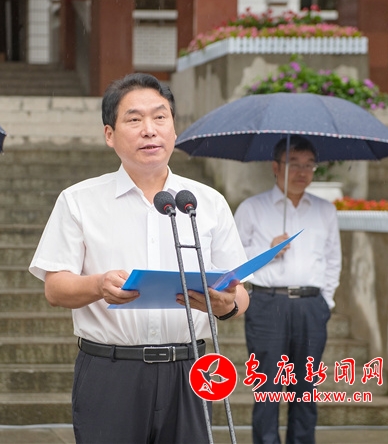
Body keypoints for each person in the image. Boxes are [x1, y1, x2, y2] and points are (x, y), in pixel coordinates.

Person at [29, 73, 250, 443]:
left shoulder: (206, 203)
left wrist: (225, 305)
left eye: (160, 117)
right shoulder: (79, 201)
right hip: (110, 372)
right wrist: (98, 285)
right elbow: (55, 288)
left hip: (190, 371)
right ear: (109, 134)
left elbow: (239, 293)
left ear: (174, 129)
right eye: (134, 119)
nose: (150, 129)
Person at [234, 136, 341, 444]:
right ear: (275, 167)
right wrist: (266, 251)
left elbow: (333, 260)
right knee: (267, 388)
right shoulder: (252, 208)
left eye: (309, 165)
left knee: (305, 390)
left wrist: (325, 302)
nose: (302, 172)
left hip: (311, 306)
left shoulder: (325, 210)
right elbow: (233, 262)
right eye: (294, 164)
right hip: (268, 305)